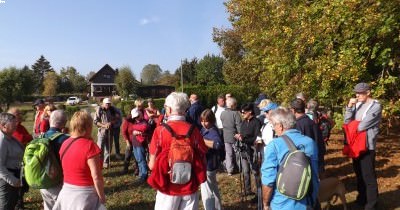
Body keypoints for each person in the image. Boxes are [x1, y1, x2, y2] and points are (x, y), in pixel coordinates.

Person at [147, 92, 208, 210]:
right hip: (190, 187)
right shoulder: (194, 130)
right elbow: (203, 159)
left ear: (168, 109)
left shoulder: (160, 131)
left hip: (167, 188)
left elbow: (152, 164)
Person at [261, 108, 319, 210]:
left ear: (280, 126)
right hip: (307, 202)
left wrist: (265, 203)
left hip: (281, 204)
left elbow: (268, 180)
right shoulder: (310, 142)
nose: (274, 129)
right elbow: (314, 175)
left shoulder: (274, 145)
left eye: (273, 125)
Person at [53, 110, 105, 209]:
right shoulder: (90, 146)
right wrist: (101, 196)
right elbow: (96, 176)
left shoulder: (65, 143)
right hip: (85, 195)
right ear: (88, 126)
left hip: (66, 192)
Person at [344, 82, 382, 210]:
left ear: (368, 92)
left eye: (360, 93)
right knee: (359, 174)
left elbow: (362, 126)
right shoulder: (357, 104)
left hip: (367, 145)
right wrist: (349, 106)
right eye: (356, 92)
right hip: (356, 145)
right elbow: (346, 121)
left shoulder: (375, 106)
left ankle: (372, 204)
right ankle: (362, 198)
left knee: (368, 175)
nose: (357, 95)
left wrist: (353, 125)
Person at [40, 110, 69, 210]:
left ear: (50, 121)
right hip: (57, 182)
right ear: (64, 123)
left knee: (48, 206)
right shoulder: (65, 139)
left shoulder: (41, 137)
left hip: (43, 180)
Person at [291, 98, 326, 175]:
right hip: (316, 159)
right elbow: (320, 143)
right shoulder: (313, 123)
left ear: (293, 110)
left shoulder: (296, 125)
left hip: (304, 163)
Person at [235, 103, 262, 196]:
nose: (242, 114)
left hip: (253, 150)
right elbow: (242, 133)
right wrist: (239, 136)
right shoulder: (243, 122)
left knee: (255, 172)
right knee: (245, 171)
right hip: (244, 150)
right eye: (241, 112)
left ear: (250, 111)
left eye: (243, 112)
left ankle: (259, 193)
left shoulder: (256, 122)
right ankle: (247, 190)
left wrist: (244, 139)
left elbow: (256, 138)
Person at [200, 109, 224, 210]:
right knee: (212, 188)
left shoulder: (213, 131)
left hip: (209, 164)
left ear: (212, 120)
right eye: (202, 121)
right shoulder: (205, 129)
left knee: (207, 190)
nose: (204, 123)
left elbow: (218, 144)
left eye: (206, 121)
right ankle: (218, 207)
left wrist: (202, 141)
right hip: (208, 163)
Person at [0, 113, 23, 210]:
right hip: (6, 180)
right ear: (3, 125)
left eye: (15, 122)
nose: (16, 125)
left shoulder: (11, 138)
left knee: (11, 204)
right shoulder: (2, 141)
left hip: (14, 177)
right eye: (13, 123)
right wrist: (13, 181)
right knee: (5, 206)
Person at [220, 97, 241, 176]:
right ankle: (238, 167)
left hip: (226, 135)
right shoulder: (235, 114)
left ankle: (229, 170)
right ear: (233, 105)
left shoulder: (222, 113)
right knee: (237, 152)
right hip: (235, 135)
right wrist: (240, 134)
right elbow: (238, 125)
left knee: (228, 153)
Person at [127, 108, 149, 181]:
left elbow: (144, 127)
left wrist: (135, 129)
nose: (136, 118)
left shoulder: (144, 122)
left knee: (142, 159)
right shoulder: (135, 121)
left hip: (140, 144)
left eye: (137, 116)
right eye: (135, 117)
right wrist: (135, 130)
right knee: (138, 160)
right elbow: (127, 119)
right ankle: (141, 174)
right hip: (135, 143)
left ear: (140, 115)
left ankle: (144, 175)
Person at [94, 98, 114, 169]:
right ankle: (99, 163)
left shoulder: (111, 109)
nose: (108, 105)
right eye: (106, 104)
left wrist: (110, 123)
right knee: (100, 148)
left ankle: (106, 163)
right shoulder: (99, 110)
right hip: (101, 132)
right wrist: (104, 125)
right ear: (103, 103)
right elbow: (96, 121)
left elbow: (115, 118)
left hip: (110, 132)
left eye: (109, 104)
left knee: (108, 148)